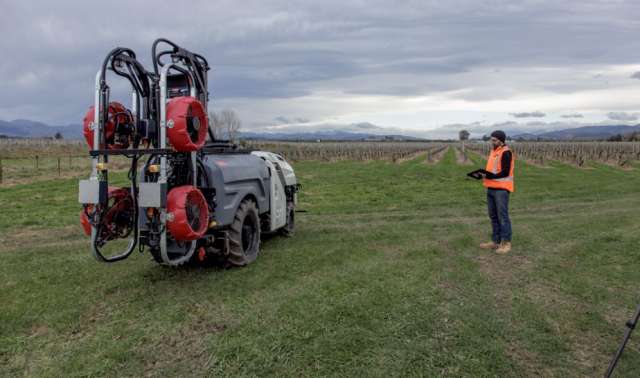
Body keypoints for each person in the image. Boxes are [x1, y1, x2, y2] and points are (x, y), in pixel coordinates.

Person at [478, 130, 514, 254]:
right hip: (491, 188)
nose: (491, 142)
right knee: (493, 216)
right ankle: (495, 241)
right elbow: (493, 171)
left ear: (501, 140)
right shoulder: (494, 151)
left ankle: (506, 243)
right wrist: (484, 175)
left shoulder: (506, 152)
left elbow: (505, 172)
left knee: (503, 217)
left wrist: (489, 176)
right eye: (491, 139)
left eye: (494, 140)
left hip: (501, 189)